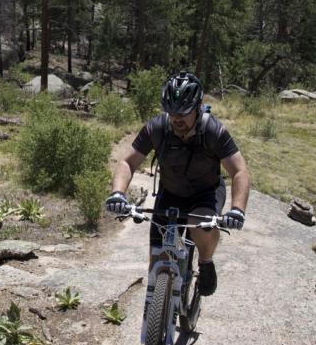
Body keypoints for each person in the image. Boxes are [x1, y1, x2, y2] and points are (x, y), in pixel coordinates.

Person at [105, 71, 250, 297]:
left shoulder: (213, 130)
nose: (176, 119)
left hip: (206, 192)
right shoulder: (157, 128)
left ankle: (206, 262)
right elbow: (127, 162)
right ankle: (158, 315)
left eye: (182, 113)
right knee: (156, 261)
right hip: (171, 192)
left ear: (197, 108)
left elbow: (239, 170)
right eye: (171, 112)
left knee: (198, 225)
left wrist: (237, 209)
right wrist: (118, 194)